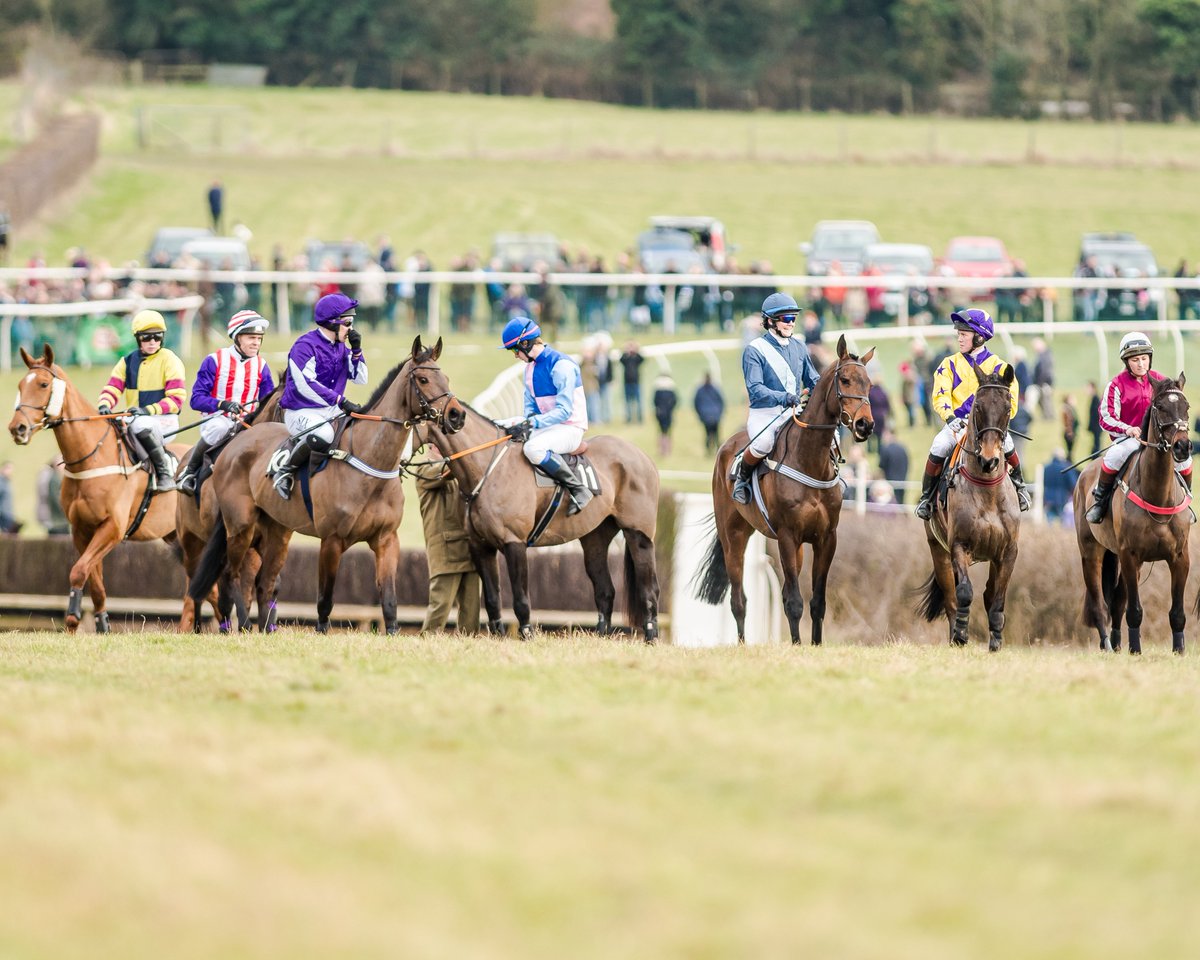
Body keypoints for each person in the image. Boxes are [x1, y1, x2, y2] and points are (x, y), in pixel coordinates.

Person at [914, 308, 1031, 520]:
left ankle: (1021, 488)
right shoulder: (948, 364)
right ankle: (926, 498)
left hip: (988, 428)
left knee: (1009, 445)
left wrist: (993, 423)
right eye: (958, 334)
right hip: (957, 425)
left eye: (963, 335)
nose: (959, 338)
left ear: (978, 337)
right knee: (939, 445)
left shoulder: (1000, 366)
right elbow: (940, 395)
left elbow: (1010, 403)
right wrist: (949, 417)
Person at [1085, 332, 1192, 523]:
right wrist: (1127, 429)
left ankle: (1186, 500)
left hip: (1159, 440)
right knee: (1114, 455)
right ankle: (1100, 502)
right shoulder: (1116, 384)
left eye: (1144, 358)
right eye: (1135, 360)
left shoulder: (1162, 382)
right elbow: (1105, 417)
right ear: (1127, 362)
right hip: (1129, 440)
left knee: (1185, 460)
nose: (1141, 364)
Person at [273, 293, 368, 500]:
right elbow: (304, 384)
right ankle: (285, 470)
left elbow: (361, 378)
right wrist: (339, 400)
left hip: (331, 410)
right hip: (300, 410)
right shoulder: (304, 346)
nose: (351, 328)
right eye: (347, 323)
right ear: (332, 323)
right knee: (325, 435)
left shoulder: (342, 346)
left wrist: (357, 351)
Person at [496, 316, 593, 516]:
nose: (515, 356)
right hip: (547, 426)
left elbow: (564, 411)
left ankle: (578, 488)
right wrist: (527, 421)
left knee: (533, 448)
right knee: (501, 426)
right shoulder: (529, 369)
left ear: (526, 343)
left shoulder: (561, 366)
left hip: (570, 427)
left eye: (515, 350)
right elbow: (530, 407)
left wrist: (533, 422)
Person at [731, 292, 820, 505]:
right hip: (765, 413)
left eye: (794, 319)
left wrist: (824, 388)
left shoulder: (799, 346)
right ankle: (741, 478)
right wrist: (784, 397)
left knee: (827, 437)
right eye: (787, 319)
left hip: (794, 412)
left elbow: (812, 378)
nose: (792, 323)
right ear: (770, 321)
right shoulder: (754, 350)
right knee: (763, 443)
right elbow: (755, 389)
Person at [179, 310, 276, 495]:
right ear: (237, 338)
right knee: (219, 428)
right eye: (251, 338)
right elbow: (196, 399)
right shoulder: (214, 360)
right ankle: (190, 472)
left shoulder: (262, 366)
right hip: (218, 419)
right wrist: (222, 404)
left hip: (249, 423)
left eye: (258, 338)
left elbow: (268, 400)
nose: (256, 343)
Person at [97, 309, 186, 492]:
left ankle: (164, 472)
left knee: (140, 425)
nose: (153, 342)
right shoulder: (127, 361)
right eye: (146, 338)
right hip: (135, 417)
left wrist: (148, 410)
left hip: (164, 420)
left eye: (157, 337)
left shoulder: (170, 360)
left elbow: (176, 400)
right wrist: (105, 404)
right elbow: (112, 387)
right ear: (138, 338)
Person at [414, 438, 481, 635]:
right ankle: (428, 640)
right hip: (444, 547)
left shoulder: (456, 467)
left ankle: (469, 646)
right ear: (433, 445)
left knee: (472, 608)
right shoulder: (424, 468)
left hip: (467, 544)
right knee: (440, 603)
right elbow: (446, 472)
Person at [693, 372, 726, 454]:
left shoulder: (700, 390)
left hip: (706, 416)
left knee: (708, 434)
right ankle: (717, 450)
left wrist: (700, 414)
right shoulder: (715, 389)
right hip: (715, 415)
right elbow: (721, 401)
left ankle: (709, 451)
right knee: (716, 434)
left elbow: (696, 403)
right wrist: (720, 412)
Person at [1043, 447, 1078, 523]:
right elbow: (1073, 484)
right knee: (1063, 521)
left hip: (1048, 497)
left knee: (1049, 521)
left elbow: (1043, 482)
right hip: (1062, 497)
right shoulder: (1066, 467)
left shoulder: (1046, 468)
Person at [36, 458, 69, 535]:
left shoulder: (55, 477)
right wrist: (66, 510)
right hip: (58, 521)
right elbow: (56, 498)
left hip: (58, 520)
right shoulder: (54, 479)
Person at [877, 427, 910, 504]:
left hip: (890, 481)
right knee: (901, 501)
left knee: (891, 503)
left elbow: (881, 466)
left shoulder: (885, 449)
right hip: (902, 480)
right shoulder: (903, 449)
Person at [652, 372, 678, 456]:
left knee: (661, 432)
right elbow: (675, 401)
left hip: (660, 413)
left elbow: (654, 401)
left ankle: (661, 449)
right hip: (668, 413)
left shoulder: (657, 389)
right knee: (668, 432)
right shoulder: (671, 389)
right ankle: (667, 449)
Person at [0, 461, 22, 534]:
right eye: (8, 468)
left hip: (8, 514)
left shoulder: (6, 481)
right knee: (7, 534)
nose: (10, 471)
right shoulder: (1, 482)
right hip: (3, 514)